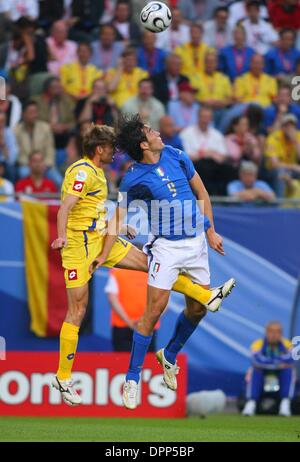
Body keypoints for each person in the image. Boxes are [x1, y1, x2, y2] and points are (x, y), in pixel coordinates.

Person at [50, 124, 235, 406]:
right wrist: (62, 235)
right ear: (100, 149)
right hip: (78, 247)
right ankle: (66, 377)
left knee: (153, 267)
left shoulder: (103, 171)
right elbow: (66, 207)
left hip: (102, 238)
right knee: (78, 309)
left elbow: (94, 210)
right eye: (111, 148)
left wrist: (120, 225)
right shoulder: (85, 172)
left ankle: (200, 304)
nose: (115, 153)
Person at [242, 321, 295, 417]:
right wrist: (277, 364)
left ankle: (285, 403)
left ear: (281, 334)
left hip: (280, 374)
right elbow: (256, 360)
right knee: (254, 370)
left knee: (289, 370)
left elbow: (291, 359)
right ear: (266, 333)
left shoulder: (287, 344)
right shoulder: (258, 344)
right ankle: (251, 403)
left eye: (277, 332)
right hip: (263, 373)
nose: (274, 335)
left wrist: (269, 362)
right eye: (271, 331)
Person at [180, 107, 233, 196]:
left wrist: (212, 155)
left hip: (214, 166)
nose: (205, 120)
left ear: (211, 119)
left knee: (227, 169)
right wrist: (205, 154)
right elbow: (186, 157)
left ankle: (221, 196)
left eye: (208, 117)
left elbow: (223, 156)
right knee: (203, 166)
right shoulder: (186, 133)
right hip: (195, 166)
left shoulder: (217, 134)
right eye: (203, 117)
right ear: (198, 117)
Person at [105, 267, 158, 352]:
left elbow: (112, 299)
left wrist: (130, 322)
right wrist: (146, 320)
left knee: (122, 361)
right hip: (144, 326)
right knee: (146, 361)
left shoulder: (117, 270)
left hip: (125, 325)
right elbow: (163, 301)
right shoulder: (155, 271)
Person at [14, 100, 62, 186]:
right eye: (31, 112)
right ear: (23, 114)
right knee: (23, 174)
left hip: (45, 165)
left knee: (59, 180)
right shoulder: (16, 131)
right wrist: (32, 165)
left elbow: (50, 150)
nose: (34, 115)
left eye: (36, 112)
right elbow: (18, 154)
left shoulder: (45, 128)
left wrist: (43, 165)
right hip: (26, 165)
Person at [32, 76, 76, 168]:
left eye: (60, 87)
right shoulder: (36, 101)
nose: (59, 90)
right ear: (47, 89)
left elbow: (73, 122)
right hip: (42, 137)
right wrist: (49, 127)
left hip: (62, 138)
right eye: (56, 87)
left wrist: (64, 126)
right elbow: (33, 119)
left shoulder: (65, 101)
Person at [191, 51, 233, 130]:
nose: (210, 64)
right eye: (208, 62)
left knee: (227, 114)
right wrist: (203, 102)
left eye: (212, 62)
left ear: (216, 63)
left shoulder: (224, 78)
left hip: (220, 109)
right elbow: (192, 96)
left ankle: (219, 136)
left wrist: (222, 103)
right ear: (204, 63)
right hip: (202, 108)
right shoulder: (196, 77)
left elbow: (230, 99)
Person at [265, 113, 300, 197]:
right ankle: (279, 205)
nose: (290, 129)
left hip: (292, 170)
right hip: (271, 171)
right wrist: (293, 166)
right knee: (281, 172)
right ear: (282, 128)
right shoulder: (273, 138)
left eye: (292, 126)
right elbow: (274, 164)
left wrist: (295, 141)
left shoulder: (298, 136)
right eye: (287, 126)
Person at [0, 109, 18, 182]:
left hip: (5, 164)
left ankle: (11, 192)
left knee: (11, 169)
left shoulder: (9, 133)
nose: (0, 124)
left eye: (2, 121)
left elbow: (11, 159)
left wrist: (3, 144)